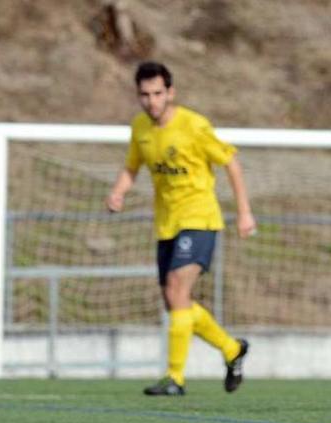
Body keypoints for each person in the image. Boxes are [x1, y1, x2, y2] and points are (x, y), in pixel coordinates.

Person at [106, 61, 257, 396]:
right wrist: (118, 191)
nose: (151, 101)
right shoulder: (141, 128)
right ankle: (232, 349)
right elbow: (132, 167)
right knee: (175, 300)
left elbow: (230, 161)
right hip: (166, 224)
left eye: (158, 93)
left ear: (170, 92)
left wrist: (244, 212)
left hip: (200, 219)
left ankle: (174, 377)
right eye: (144, 95)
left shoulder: (193, 125)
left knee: (176, 290)